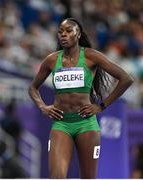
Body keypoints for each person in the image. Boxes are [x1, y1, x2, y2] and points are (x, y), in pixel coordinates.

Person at [28, 18, 134, 178]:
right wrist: (43, 106)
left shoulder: (91, 56)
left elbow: (126, 79)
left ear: (78, 34)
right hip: (61, 124)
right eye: (60, 32)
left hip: (86, 124)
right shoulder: (51, 60)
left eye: (68, 31)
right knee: (56, 176)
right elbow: (33, 88)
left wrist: (101, 106)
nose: (63, 34)